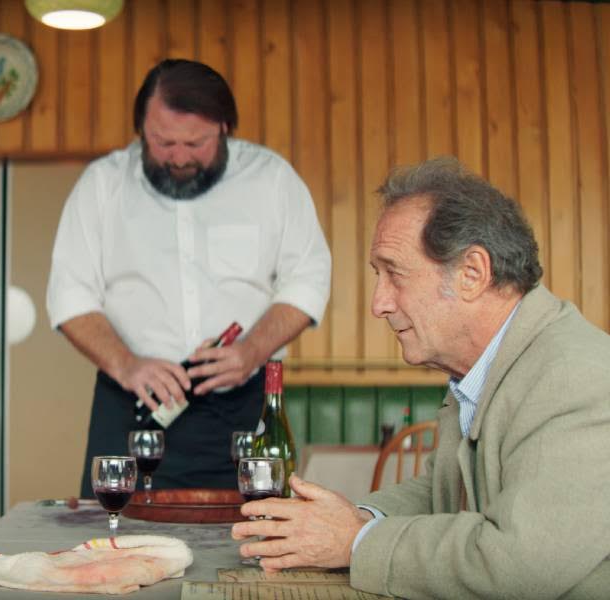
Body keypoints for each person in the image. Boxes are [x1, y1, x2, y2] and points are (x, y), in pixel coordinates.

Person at [233, 157, 610, 598]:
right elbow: (440, 494)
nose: (379, 304)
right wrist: (348, 521)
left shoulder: (578, 377)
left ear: (472, 273)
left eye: (394, 273)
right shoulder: (487, 369)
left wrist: (355, 542)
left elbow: (523, 562)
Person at [46, 59, 331, 497]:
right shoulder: (102, 184)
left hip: (242, 407)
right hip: (132, 405)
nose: (179, 158)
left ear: (224, 128)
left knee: (254, 530)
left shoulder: (271, 179)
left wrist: (252, 350)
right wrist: (126, 364)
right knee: (113, 531)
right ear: (141, 129)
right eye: (163, 142)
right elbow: (70, 295)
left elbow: (307, 278)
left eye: (195, 143)